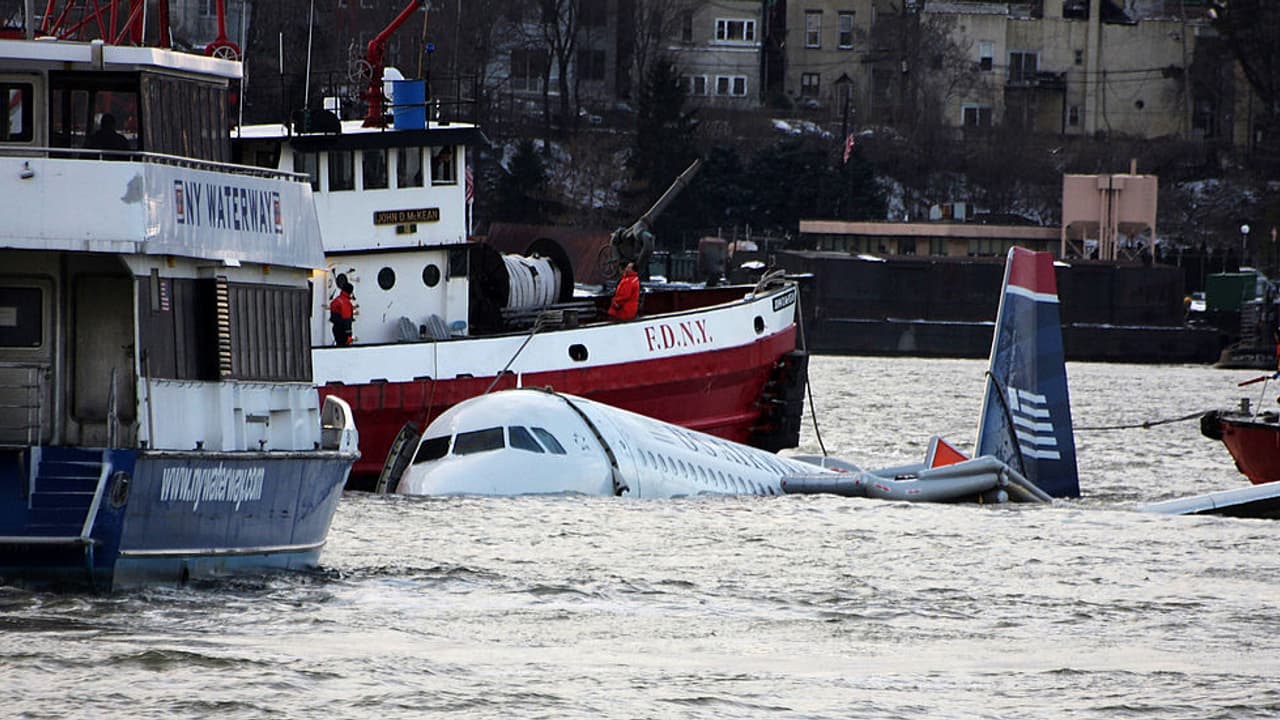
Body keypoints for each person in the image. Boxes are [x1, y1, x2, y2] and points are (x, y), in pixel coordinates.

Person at [330, 277, 355, 346]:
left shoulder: (337, 300)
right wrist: (349, 335)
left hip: (336, 328)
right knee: (344, 348)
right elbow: (347, 320)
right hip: (343, 331)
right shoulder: (345, 302)